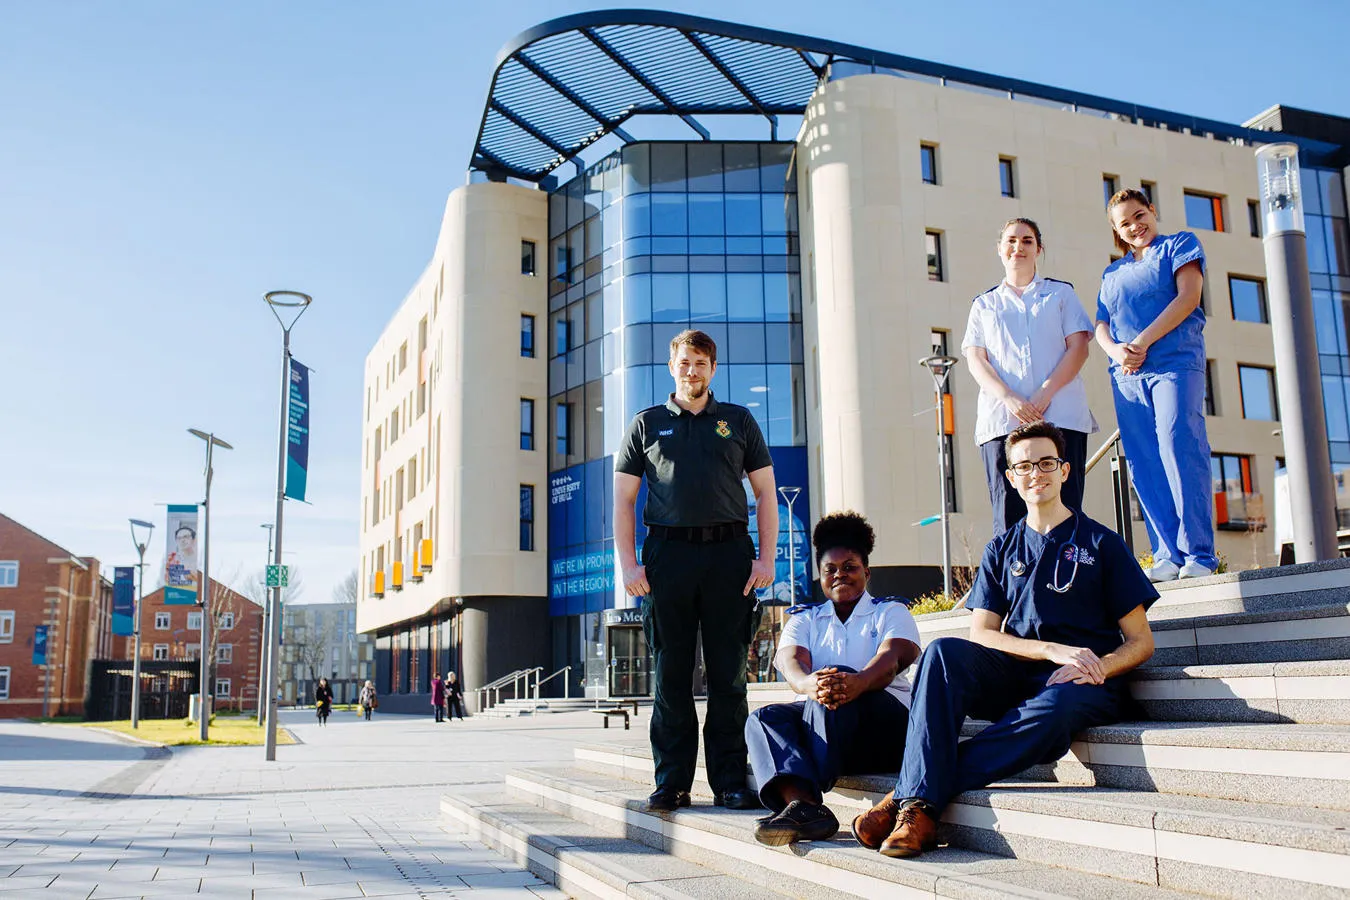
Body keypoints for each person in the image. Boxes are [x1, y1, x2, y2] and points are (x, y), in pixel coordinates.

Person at [852, 422, 1157, 858]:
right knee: (942, 653)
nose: (1037, 473)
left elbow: (1141, 642)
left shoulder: (1103, 544)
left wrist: (1098, 666)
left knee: (1054, 707)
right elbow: (982, 632)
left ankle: (911, 800)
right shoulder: (1002, 548)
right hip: (1022, 671)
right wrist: (1049, 650)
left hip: (1084, 681)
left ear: (1065, 471)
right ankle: (916, 794)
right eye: (1024, 466)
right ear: (1011, 477)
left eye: (1047, 462)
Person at [615, 328, 778, 814]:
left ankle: (730, 780)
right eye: (685, 362)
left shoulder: (738, 420)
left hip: (729, 554)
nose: (693, 371)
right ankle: (672, 782)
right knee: (671, 676)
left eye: (701, 363)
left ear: (713, 368)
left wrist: (766, 559)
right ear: (672, 367)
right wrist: (627, 563)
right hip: (668, 557)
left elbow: (766, 493)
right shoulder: (645, 425)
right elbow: (624, 499)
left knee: (729, 675)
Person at [744, 512, 920, 846]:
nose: (840, 575)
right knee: (763, 718)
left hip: (883, 728)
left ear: (866, 572)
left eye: (850, 567)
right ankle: (807, 807)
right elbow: (791, 660)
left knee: (838, 682)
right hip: (824, 722)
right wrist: (807, 684)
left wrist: (859, 682)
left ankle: (803, 789)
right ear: (821, 577)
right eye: (830, 569)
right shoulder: (806, 618)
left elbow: (894, 658)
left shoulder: (891, 611)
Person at [1095, 188, 1218, 581]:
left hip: (1174, 364)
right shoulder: (1112, 273)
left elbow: (1188, 298)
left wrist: (1140, 342)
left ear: (1152, 210)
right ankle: (1167, 554)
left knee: (1177, 442)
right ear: (1116, 231)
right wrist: (1115, 351)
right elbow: (1101, 323)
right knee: (1144, 462)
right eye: (1124, 223)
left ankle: (1198, 553)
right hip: (1128, 376)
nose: (1135, 226)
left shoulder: (1180, 245)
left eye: (1139, 215)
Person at [964, 218, 1096, 535]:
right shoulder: (984, 304)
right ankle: (1014, 582)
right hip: (1002, 423)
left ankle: (1068, 580)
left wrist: (1043, 395)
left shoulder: (1061, 295)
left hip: (1061, 417)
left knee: (1066, 510)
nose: (1018, 247)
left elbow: (1078, 348)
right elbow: (975, 358)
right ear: (999, 249)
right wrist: (1010, 399)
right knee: (1008, 516)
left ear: (1038, 248)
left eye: (1026, 240)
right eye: (1011, 240)